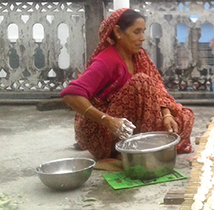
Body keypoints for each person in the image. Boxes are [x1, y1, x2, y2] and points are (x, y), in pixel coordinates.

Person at [60, 8, 194, 159]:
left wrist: (166, 115)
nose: (143, 38)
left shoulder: (139, 56)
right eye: (137, 32)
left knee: (184, 116)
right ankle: (120, 155)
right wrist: (109, 121)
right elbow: (70, 94)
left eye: (143, 31)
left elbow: (157, 90)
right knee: (141, 82)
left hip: (132, 126)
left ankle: (140, 148)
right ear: (118, 32)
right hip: (103, 131)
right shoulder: (106, 61)